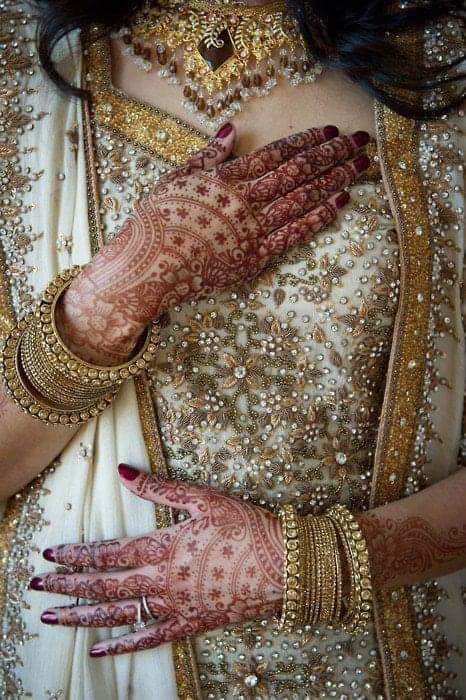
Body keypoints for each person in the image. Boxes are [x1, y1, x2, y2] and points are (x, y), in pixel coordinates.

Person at [0, 0, 464, 697]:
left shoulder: (447, 56)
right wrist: (103, 306)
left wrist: (321, 562)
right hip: (85, 664)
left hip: (389, 662)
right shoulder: (13, 68)